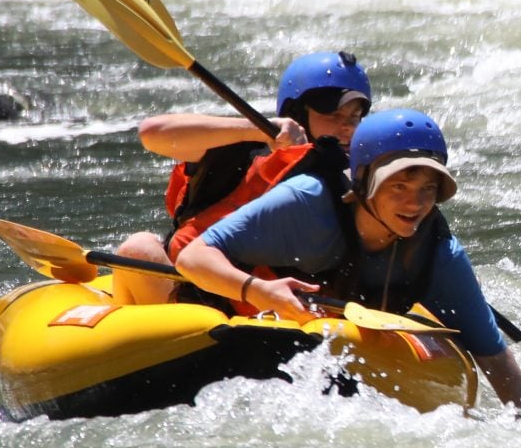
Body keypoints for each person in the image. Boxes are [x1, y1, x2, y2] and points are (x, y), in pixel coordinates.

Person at [175, 108, 521, 413]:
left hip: (334, 342)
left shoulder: (438, 252)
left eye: (428, 189)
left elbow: (493, 356)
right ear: (364, 181)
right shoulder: (306, 204)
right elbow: (193, 257)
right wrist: (258, 291)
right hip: (234, 314)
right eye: (399, 187)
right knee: (144, 250)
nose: (415, 204)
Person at [109, 52, 371, 306]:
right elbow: (152, 133)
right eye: (332, 115)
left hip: (289, 303)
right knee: (139, 249)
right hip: (200, 295)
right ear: (297, 112)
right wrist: (256, 129)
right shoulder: (244, 149)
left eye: (353, 117)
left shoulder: (362, 173)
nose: (346, 127)